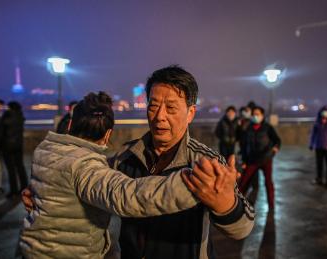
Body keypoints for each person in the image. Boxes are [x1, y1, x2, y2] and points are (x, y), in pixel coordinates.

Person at [19, 92, 238, 259]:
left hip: (30, 249)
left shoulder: (45, 151)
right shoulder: (86, 168)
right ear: (107, 135)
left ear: (69, 125)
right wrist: (195, 182)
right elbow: (128, 195)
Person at [110, 66, 254, 259]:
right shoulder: (124, 157)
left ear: (190, 113)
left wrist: (225, 203)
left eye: (171, 108)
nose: (159, 116)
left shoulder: (206, 163)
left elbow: (243, 227)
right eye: (153, 106)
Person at [238, 106, 281, 210]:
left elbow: (277, 140)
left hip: (266, 159)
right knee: (244, 181)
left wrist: (274, 150)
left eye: (258, 114)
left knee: (268, 182)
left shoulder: (268, 127)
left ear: (262, 115)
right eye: (254, 114)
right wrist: (244, 159)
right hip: (251, 160)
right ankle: (237, 203)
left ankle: (271, 205)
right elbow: (244, 144)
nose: (255, 116)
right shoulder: (248, 128)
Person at [0, 101, 28, 198]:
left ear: (10, 108)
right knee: (20, 167)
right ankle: (25, 188)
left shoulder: (6, 116)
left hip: (7, 146)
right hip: (18, 146)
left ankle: (14, 191)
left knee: (11, 169)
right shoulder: (20, 117)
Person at [309, 107, 327, 187]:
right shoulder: (317, 123)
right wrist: (311, 144)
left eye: (326, 116)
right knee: (319, 164)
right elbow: (313, 135)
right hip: (318, 146)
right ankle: (319, 178)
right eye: (323, 116)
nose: (324, 119)